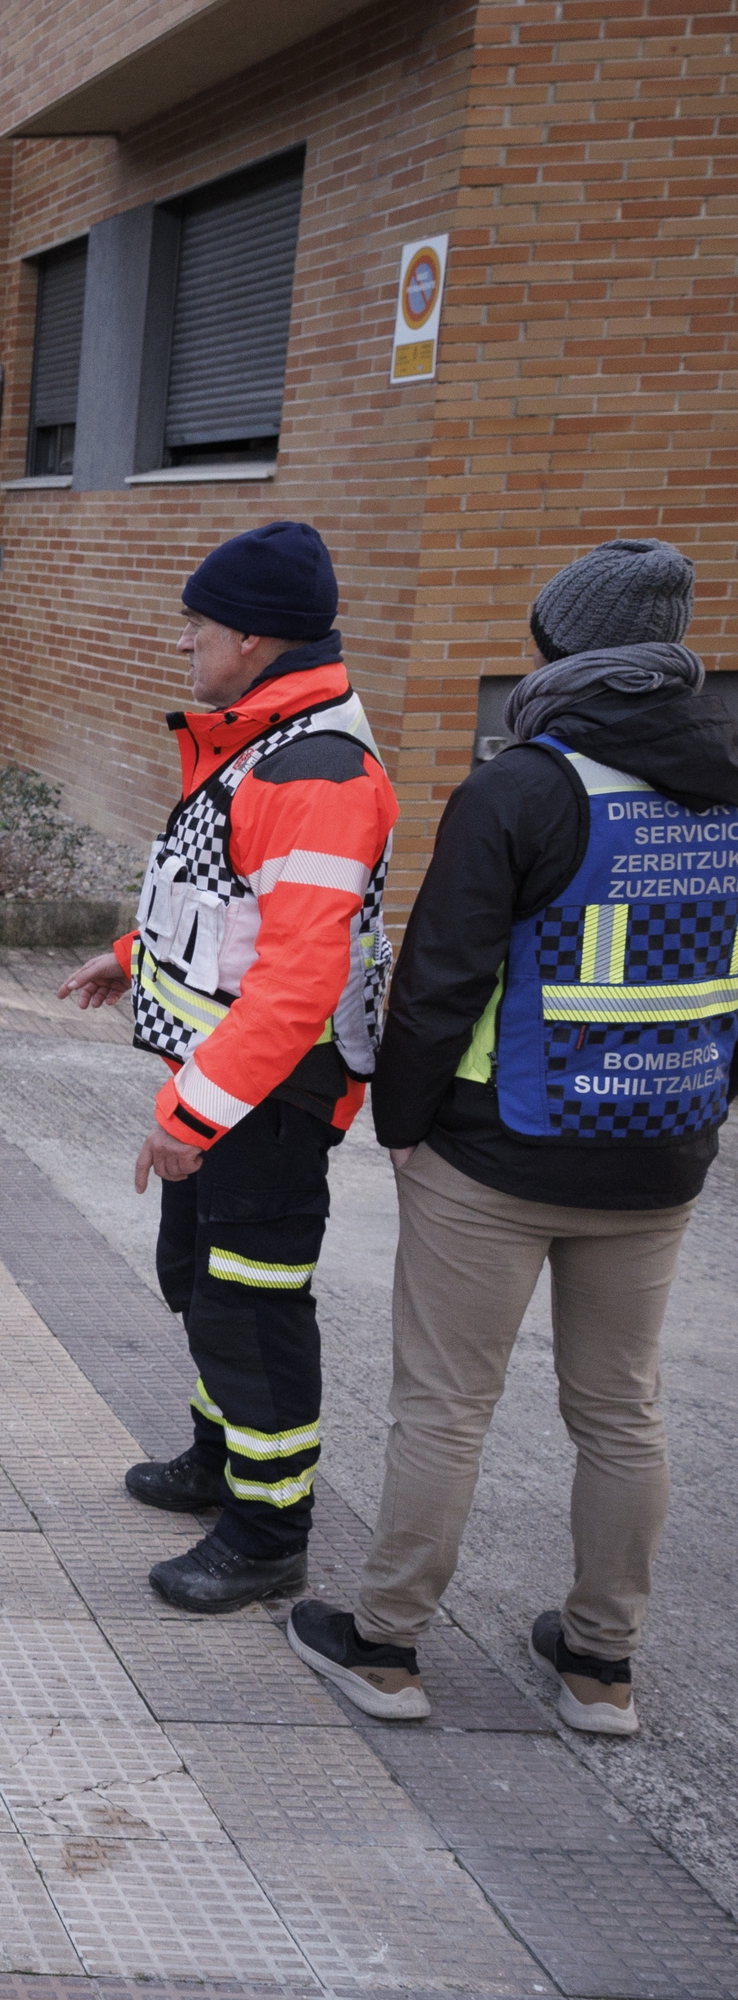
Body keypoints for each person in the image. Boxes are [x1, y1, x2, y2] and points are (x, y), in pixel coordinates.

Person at [290, 539, 732, 1733]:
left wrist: (403, 1124)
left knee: (445, 1404)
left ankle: (385, 1644)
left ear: (564, 649)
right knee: (623, 1408)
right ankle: (602, 1666)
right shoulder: (727, 780)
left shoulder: (525, 787)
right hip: (661, 1148)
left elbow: (440, 979)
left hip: (499, 1152)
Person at [58, 523, 398, 1614]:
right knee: (204, 1292)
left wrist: (191, 1117)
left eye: (198, 626)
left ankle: (267, 1529)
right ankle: (220, 1459)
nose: (186, 644)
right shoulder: (264, 739)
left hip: (269, 1094)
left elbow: (296, 981)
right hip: (229, 1083)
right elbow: (224, 909)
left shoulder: (314, 770)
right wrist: (128, 958)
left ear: (253, 637)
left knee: (252, 1310)